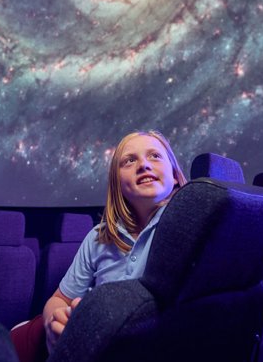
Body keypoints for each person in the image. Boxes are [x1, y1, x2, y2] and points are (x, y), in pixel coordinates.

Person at [10, 130, 187, 362]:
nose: (144, 165)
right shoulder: (99, 236)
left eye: (154, 156)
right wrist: (55, 320)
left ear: (175, 175)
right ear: (117, 184)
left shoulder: (189, 230)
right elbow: (60, 299)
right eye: (129, 160)